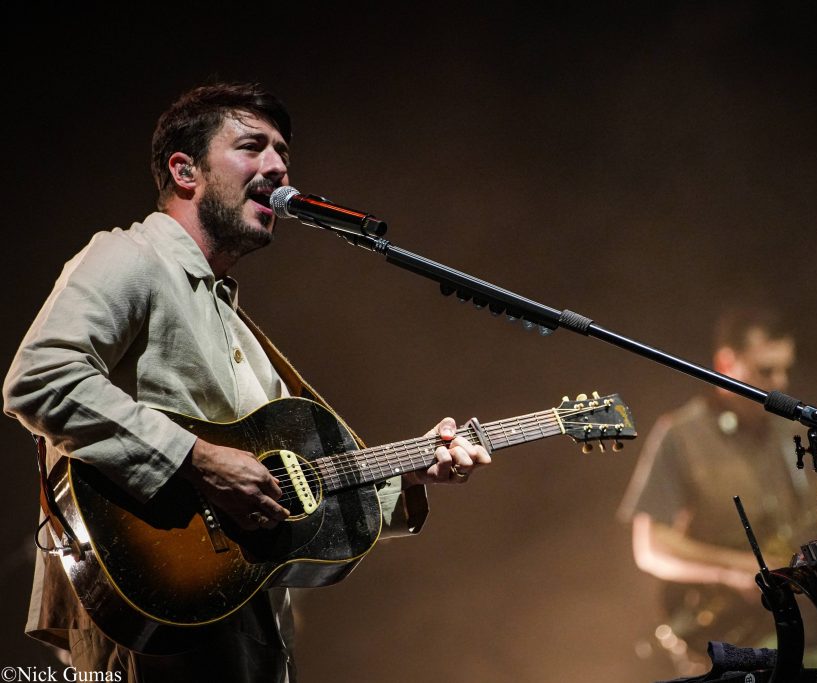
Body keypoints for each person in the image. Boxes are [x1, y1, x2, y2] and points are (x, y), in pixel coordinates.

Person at [3, 82, 491, 682]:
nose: (278, 166)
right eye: (252, 146)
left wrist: (412, 473)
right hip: (152, 609)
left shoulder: (238, 328)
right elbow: (40, 378)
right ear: (185, 170)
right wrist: (200, 460)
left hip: (243, 618)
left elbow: (300, 486)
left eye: (283, 152)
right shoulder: (131, 256)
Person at [618, 308, 817, 674]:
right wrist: (736, 570)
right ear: (726, 363)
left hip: (812, 629)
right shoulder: (681, 435)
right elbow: (651, 548)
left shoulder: (801, 428)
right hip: (731, 637)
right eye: (766, 371)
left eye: (785, 369)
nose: (780, 382)